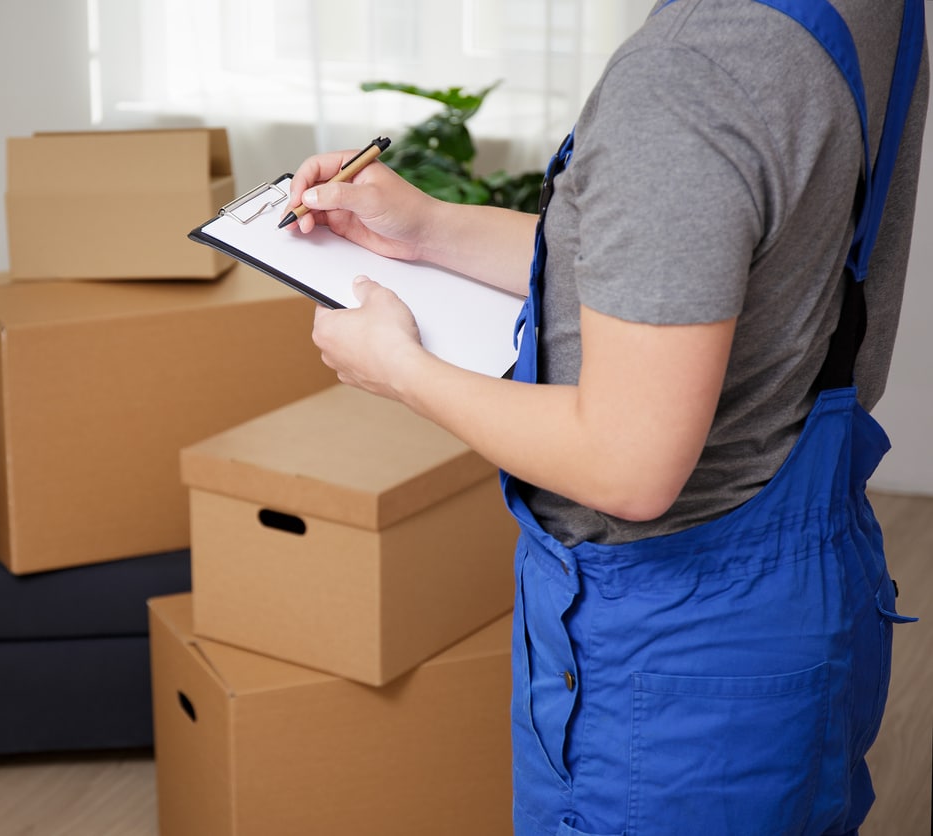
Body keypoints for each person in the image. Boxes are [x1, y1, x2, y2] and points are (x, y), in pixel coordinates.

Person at [284, 0, 927, 834]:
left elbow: (628, 462)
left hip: (666, 657)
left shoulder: (688, 73)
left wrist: (400, 369)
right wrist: (431, 230)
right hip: (806, 583)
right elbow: (690, 270)